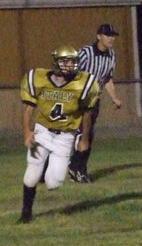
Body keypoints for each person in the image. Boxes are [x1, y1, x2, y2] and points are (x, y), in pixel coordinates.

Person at [19, 46, 100, 223]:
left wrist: (84, 139)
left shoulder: (83, 83)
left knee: (53, 182)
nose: (70, 65)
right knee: (31, 173)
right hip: (42, 132)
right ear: (56, 62)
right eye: (66, 61)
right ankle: (26, 213)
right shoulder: (38, 78)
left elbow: (87, 113)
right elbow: (28, 109)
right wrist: (27, 132)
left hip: (65, 136)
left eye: (73, 62)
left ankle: (45, 166)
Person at [67, 23, 123, 183]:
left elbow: (107, 79)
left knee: (88, 134)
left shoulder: (111, 55)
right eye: (108, 35)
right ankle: (78, 168)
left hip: (94, 99)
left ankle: (76, 167)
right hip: (79, 98)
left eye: (113, 35)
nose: (111, 38)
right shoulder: (86, 53)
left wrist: (114, 97)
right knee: (84, 133)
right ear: (99, 36)